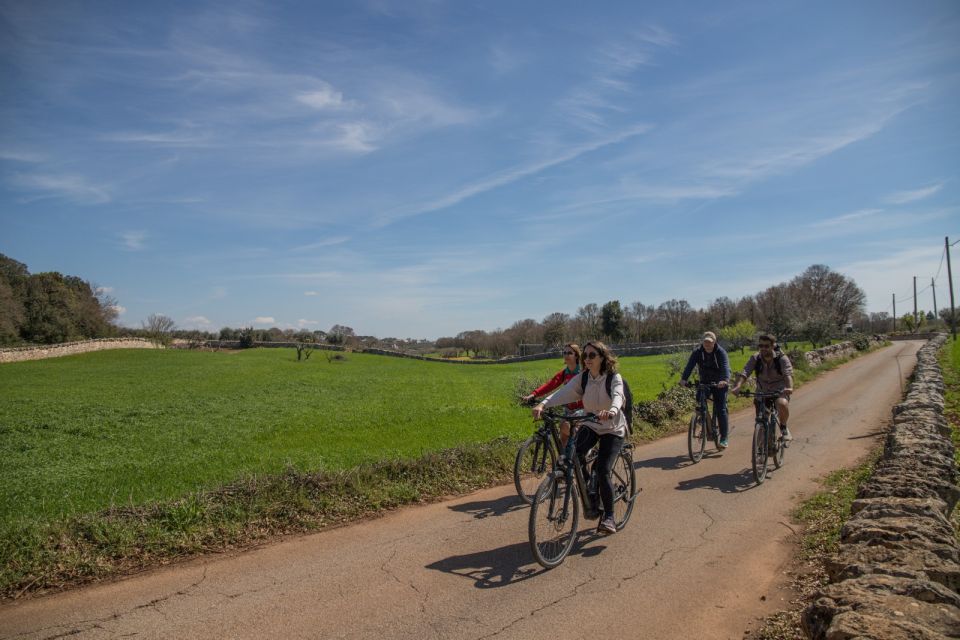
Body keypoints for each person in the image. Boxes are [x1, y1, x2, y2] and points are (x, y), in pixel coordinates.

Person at [532, 340, 626, 536]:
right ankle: (590, 492)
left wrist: (612, 411)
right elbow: (564, 393)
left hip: (612, 428)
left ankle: (608, 516)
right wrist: (543, 405)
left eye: (592, 355)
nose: (587, 359)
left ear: (602, 357)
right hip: (592, 424)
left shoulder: (613, 378)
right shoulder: (584, 378)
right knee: (575, 454)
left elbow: (618, 396)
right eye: (585, 356)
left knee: (602, 469)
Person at [730, 334, 794, 444]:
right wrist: (738, 386)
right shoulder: (756, 358)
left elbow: (787, 374)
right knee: (761, 421)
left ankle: (783, 428)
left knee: (782, 404)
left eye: (766, 346)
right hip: (762, 393)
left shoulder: (781, 358)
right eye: (761, 346)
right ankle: (759, 451)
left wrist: (789, 387)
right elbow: (745, 372)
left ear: (773, 346)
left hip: (779, 391)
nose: (763, 348)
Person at [522, 343, 583, 446]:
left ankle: (581, 450)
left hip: (582, 408)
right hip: (568, 409)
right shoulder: (565, 373)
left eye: (569, 353)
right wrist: (534, 394)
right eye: (564, 353)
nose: (566, 355)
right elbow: (551, 384)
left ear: (576, 355)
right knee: (562, 436)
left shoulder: (582, 372)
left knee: (567, 428)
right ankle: (562, 460)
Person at [679, 331, 732, 448]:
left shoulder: (721, 352)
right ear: (702, 342)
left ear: (714, 342)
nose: (707, 344)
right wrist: (684, 379)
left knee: (721, 408)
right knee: (700, 399)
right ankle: (703, 419)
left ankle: (723, 438)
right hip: (705, 381)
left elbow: (725, 367)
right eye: (705, 342)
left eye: (710, 342)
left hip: (720, 382)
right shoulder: (697, 353)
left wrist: (725, 380)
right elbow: (689, 366)